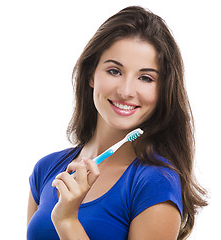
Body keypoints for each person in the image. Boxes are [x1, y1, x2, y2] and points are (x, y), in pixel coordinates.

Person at [27, 6, 207, 240]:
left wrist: (68, 221)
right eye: (114, 71)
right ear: (91, 74)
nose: (126, 90)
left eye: (145, 78)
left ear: (163, 91)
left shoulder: (155, 184)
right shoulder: (46, 169)